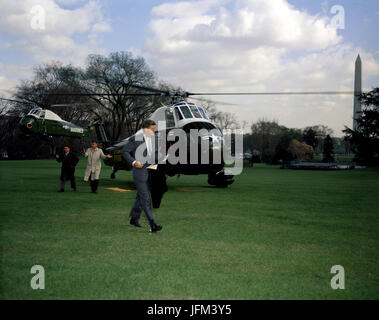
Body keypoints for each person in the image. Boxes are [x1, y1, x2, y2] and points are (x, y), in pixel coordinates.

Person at [122, 119, 163, 233]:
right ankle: (152, 224)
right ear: (146, 129)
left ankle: (134, 219)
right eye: (152, 129)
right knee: (145, 198)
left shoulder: (154, 139)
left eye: (155, 129)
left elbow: (154, 154)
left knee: (140, 196)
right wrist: (134, 162)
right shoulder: (136, 139)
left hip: (151, 171)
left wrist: (162, 157)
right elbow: (124, 151)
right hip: (139, 173)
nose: (154, 131)